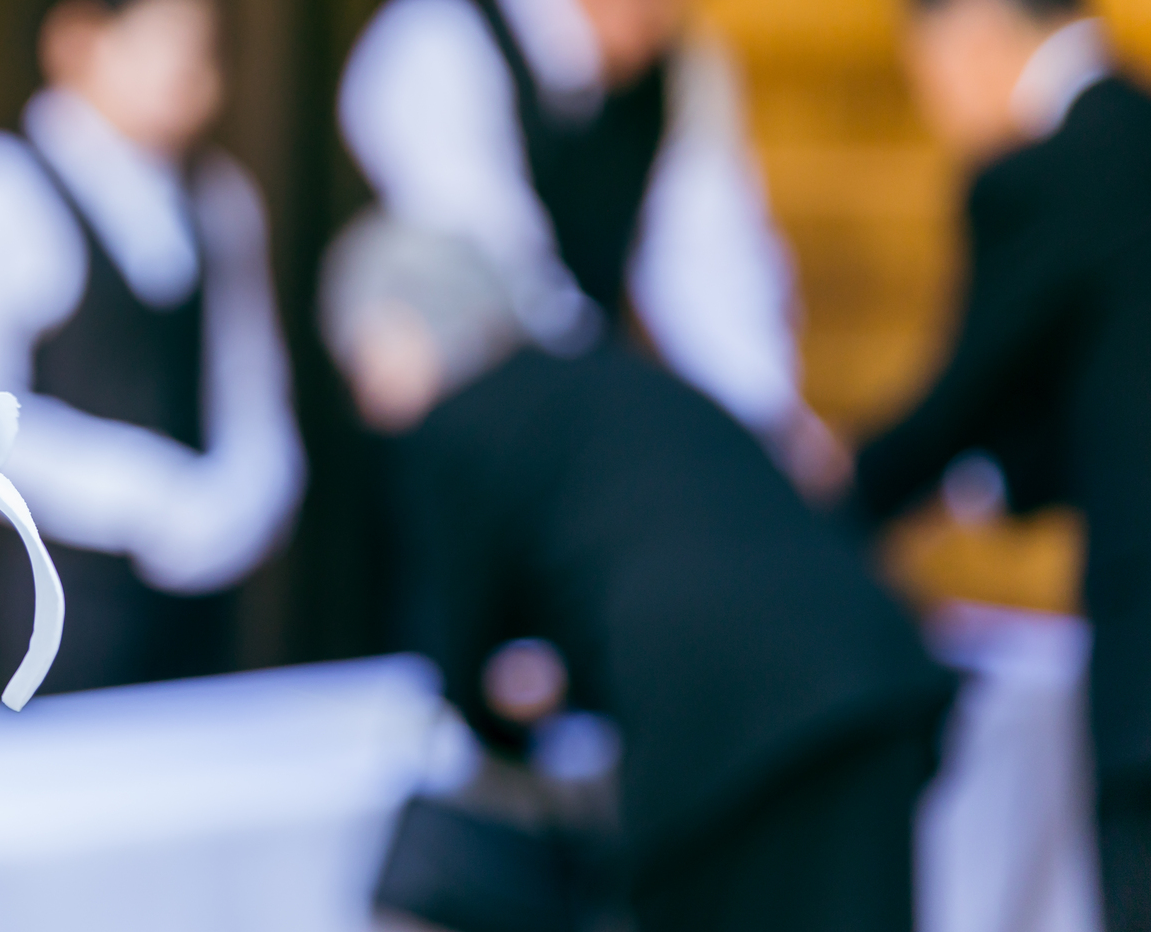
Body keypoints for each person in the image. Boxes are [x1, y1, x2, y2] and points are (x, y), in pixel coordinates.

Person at [322, 211, 954, 932]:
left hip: (723, 724)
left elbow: (466, 662)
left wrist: (525, 699)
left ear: (400, 331)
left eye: (357, 358)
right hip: (870, 666)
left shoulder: (457, 426)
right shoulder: (613, 376)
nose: (361, 399)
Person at [338, 0, 841, 483]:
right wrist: (605, 384)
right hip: (461, 348)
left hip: (584, 363)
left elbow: (712, 253)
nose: (655, 7)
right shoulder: (439, 36)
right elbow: (484, 236)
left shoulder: (684, 72)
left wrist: (765, 417)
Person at [848, 0, 1151, 930]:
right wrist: (993, 483)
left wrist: (825, 507)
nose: (935, 106)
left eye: (923, 70)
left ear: (972, 31)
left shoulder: (1044, 174)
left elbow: (966, 396)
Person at [0, 0, 304, 694]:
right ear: (76, 40)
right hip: (47, 611)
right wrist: (147, 495)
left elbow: (250, 381)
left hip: (204, 608)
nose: (192, 72)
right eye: (165, 42)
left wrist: (250, 498)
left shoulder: (222, 197)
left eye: (206, 48)